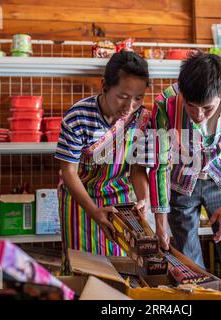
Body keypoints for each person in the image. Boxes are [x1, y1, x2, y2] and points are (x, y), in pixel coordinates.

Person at [149, 51, 221, 299]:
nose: (198, 115)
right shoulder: (164, 103)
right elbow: (160, 164)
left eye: (207, 108)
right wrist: (160, 220)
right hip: (181, 182)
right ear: (181, 94)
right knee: (188, 260)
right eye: (190, 106)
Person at [55, 51, 152, 274]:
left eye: (138, 98)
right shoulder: (78, 116)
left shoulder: (143, 119)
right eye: (123, 97)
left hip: (121, 201)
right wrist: (93, 210)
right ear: (105, 86)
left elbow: (137, 169)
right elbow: (68, 171)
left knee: (119, 268)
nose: (130, 107)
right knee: (82, 268)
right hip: (80, 200)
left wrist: (143, 199)